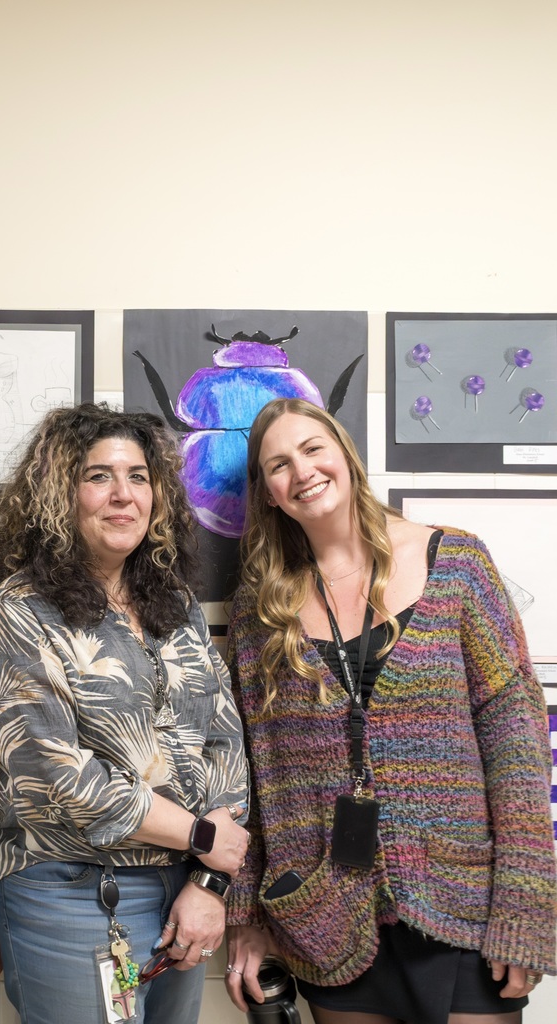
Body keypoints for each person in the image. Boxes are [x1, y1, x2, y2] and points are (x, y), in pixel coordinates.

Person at [224, 397, 557, 1024]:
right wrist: (244, 916)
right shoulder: (258, 611)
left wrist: (525, 908)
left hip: (462, 905)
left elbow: (518, 743)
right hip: (325, 917)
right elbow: (248, 774)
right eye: (278, 464)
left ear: (345, 457)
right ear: (267, 493)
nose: (302, 471)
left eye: (313, 449)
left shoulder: (457, 563)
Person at [0, 402, 250, 1024]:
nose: (123, 495)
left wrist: (209, 884)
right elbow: (55, 781)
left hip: (182, 886)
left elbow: (227, 743)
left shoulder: (174, 603)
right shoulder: (21, 611)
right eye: (98, 476)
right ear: (59, 494)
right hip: (63, 888)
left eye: (139, 477)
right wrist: (205, 839)